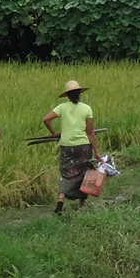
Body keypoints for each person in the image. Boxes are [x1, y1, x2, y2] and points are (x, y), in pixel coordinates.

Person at [42, 80, 98, 214]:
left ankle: (61, 197)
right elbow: (90, 132)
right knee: (84, 173)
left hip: (67, 146)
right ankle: (82, 204)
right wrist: (96, 151)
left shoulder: (61, 107)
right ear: (79, 93)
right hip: (83, 146)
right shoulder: (87, 108)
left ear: (67, 95)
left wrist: (54, 132)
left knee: (66, 173)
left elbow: (46, 119)